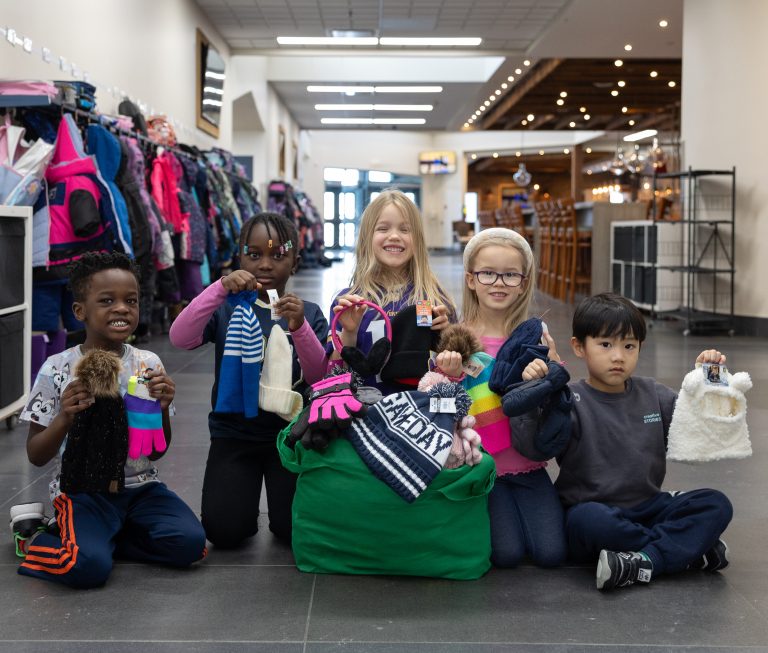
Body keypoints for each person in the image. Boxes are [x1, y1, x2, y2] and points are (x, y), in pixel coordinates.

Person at [14, 252, 206, 589]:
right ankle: (38, 541)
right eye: (107, 301)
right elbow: (36, 454)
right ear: (80, 311)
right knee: (86, 568)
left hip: (141, 488)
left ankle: (102, 538)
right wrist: (64, 417)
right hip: (83, 492)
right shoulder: (57, 368)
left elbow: (157, 452)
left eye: (130, 300)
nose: (122, 308)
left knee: (190, 544)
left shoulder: (148, 362)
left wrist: (162, 407)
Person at [523, 292, 733, 591]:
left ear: (639, 348)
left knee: (715, 503)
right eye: (605, 345)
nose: (618, 356)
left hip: (648, 507)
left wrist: (710, 379)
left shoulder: (653, 394)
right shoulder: (570, 399)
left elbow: (700, 427)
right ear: (579, 347)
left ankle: (644, 560)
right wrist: (546, 385)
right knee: (588, 520)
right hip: (594, 512)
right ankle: (683, 551)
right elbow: (538, 442)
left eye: (629, 346)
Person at [169, 212, 328, 549]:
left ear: (295, 263)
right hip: (233, 435)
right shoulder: (225, 308)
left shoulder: (308, 312)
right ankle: (241, 504)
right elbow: (180, 337)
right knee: (225, 532)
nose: (265, 265)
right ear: (239, 257)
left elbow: (317, 375)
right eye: (254, 255)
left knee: (292, 531)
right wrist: (217, 289)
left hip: (289, 438)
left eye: (278, 256)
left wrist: (299, 327)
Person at [437, 227, 567, 569]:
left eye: (510, 275)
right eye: (488, 273)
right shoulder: (458, 337)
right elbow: (442, 402)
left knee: (551, 553)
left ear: (523, 283)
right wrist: (449, 374)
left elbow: (556, 393)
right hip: (485, 467)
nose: (498, 282)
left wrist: (552, 367)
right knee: (507, 554)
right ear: (470, 279)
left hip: (528, 463)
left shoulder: (535, 334)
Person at [330, 189, 455, 386]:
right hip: (365, 410)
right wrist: (349, 333)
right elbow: (334, 372)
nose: (394, 236)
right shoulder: (350, 302)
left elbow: (456, 372)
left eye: (405, 230)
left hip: (420, 411)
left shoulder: (431, 299)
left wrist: (446, 334)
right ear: (366, 237)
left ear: (418, 241)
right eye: (383, 228)